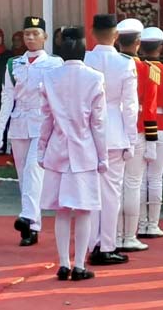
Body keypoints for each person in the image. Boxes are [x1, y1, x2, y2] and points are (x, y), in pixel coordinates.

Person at [38, 26, 107, 281]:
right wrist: (103, 157)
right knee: (84, 210)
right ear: (83, 51)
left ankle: (63, 263)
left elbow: (45, 118)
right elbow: (98, 123)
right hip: (84, 149)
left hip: (57, 148)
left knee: (62, 211)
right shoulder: (94, 78)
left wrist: (41, 149)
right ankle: (79, 265)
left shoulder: (50, 77)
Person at [0, 16, 63, 246]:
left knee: (34, 170)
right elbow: (7, 97)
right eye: (27, 34)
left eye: (35, 33)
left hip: (43, 123)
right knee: (23, 176)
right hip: (19, 122)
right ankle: (31, 228)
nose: (30, 38)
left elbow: (59, 97)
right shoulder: (14, 63)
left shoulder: (55, 63)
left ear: (44, 37)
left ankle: (28, 216)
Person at [85, 14, 138, 266]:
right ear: (116, 34)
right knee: (111, 192)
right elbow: (130, 106)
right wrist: (131, 138)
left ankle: (92, 241)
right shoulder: (124, 62)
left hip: (87, 130)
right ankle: (106, 245)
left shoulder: (85, 60)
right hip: (115, 130)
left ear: (93, 33)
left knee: (91, 190)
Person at [116, 18, 159, 252]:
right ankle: (128, 236)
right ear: (138, 42)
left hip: (112, 131)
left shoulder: (109, 65)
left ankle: (112, 235)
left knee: (114, 187)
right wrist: (152, 140)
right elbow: (150, 109)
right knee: (132, 184)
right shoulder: (147, 69)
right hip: (139, 130)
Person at [137, 26, 163, 239]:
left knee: (138, 179)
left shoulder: (135, 68)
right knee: (155, 179)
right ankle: (151, 224)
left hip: (138, 126)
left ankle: (139, 222)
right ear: (161, 47)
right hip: (162, 128)